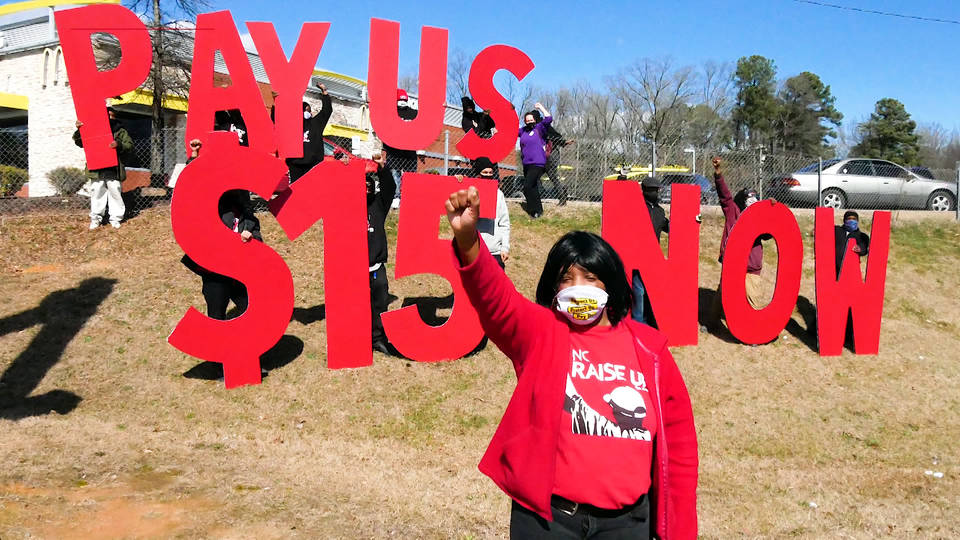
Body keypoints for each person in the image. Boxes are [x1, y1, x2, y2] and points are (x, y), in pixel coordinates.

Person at [445, 186, 699, 539]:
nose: (578, 287)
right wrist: (469, 239)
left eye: (590, 277)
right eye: (566, 278)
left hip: (627, 524)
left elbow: (681, 450)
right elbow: (495, 299)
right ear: (553, 288)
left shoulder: (650, 349)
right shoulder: (541, 332)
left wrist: (680, 530)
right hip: (549, 521)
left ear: (610, 284)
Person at [179, 139, 259, 321]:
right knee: (216, 315)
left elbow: (252, 221)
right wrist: (195, 156)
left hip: (240, 269)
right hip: (215, 270)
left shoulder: (242, 208)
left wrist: (251, 236)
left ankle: (249, 347)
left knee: (252, 310)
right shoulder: (209, 204)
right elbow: (192, 184)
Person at [707, 157, 766, 332]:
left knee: (752, 298)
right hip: (733, 263)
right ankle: (712, 323)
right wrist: (718, 174)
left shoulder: (759, 217)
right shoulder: (733, 211)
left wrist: (772, 209)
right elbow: (724, 195)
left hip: (751, 267)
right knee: (722, 294)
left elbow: (770, 233)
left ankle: (753, 330)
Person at [73, 105, 133, 229]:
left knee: (115, 191)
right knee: (97, 192)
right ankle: (96, 219)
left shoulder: (120, 131)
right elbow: (80, 142)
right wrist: (80, 129)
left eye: (112, 116)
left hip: (114, 168)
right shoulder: (93, 128)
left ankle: (115, 219)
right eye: (108, 115)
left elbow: (129, 145)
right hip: (97, 168)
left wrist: (119, 144)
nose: (111, 118)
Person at [367, 151, 398, 356]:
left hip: (376, 266)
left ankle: (377, 339)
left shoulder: (378, 204)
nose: (365, 188)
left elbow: (390, 188)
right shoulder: (346, 206)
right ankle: (358, 337)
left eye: (369, 186)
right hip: (354, 267)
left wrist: (382, 169)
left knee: (379, 303)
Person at [631, 176, 670, 328]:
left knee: (651, 292)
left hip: (653, 259)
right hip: (637, 257)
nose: (655, 193)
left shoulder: (659, 212)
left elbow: (669, 227)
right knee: (639, 291)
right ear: (645, 190)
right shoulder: (636, 207)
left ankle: (651, 322)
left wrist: (691, 222)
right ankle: (638, 324)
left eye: (657, 190)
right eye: (652, 190)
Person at [286, 83, 333, 183]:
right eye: (305, 110)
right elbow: (278, 117)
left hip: (312, 164)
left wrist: (324, 91)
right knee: (296, 192)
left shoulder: (315, 123)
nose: (308, 113)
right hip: (295, 164)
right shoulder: (291, 124)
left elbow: (327, 110)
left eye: (309, 110)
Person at [383, 89, 420, 208]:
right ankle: (396, 197)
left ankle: (409, 197)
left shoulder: (414, 113)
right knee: (395, 174)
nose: (402, 102)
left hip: (409, 151)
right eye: (400, 100)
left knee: (409, 175)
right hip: (394, 152)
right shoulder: (390, 113)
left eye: (404, 100)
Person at [472, 157, 510, 270]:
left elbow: (504, 223)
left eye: (490, 173)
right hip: (475, 250)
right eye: (485, 173)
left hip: (494, 251)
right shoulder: (471, 192)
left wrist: (505, 248)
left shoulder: (499, 194)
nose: (488, 175)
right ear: (478, 174)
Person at [531, 109, 573, 206]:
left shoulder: (544, 126)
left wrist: (563, 142)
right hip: (541, 157)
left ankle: (562, 196)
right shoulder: (532, 129)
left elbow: (555, 136)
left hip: (550, 156)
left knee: (552, 176)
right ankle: (539, 196)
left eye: (532, 119)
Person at [518, 102, 552, 218]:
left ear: (535, 120)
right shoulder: (523, 131)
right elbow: (510, 132)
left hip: (537, 163)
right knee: (533, 187)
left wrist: (541, 107)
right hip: (526, 164)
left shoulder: (539, 128)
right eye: (527, 120)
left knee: (527, 186)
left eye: (531, 120)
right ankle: (539, 210)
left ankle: (533, 211)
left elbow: (549, 118)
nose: (529, 122)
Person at [833, 210, 870, 277]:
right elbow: (824, 232)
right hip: (833, 267)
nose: (851, 221)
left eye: (854, 219)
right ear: (844, 220)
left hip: (850, 269)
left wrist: (860, 249)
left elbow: (864, 248)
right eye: (849, 219)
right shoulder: (836, 230)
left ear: (857, 221)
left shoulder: (862, 236)